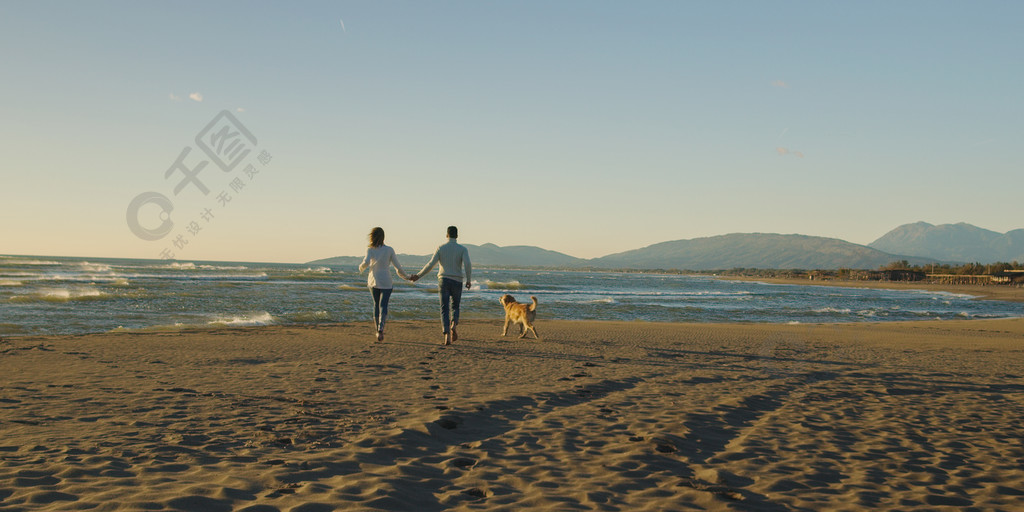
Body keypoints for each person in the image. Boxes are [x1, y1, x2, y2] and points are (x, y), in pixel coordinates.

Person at [410, 226, 471, 345]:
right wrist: (468, 280)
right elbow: (468, 264)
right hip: (457, 280)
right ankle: (454, 324)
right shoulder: (463, 249)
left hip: (443, 279)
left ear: (446, 235)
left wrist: (419, 275)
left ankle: (446, 335)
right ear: (457, 236)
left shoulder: (441, 248)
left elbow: (431, 264)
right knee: (455, 306)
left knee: (444, 308)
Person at [358, 227, 411, 341]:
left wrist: (361, 268)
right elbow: (398, 267)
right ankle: (381, 328)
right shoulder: (389, 250)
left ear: (372, 236)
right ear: (383, 237)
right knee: (384, 305)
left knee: (376, 305)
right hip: (386, 281)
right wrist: (407, 277)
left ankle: (377, 330)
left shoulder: (370, 250)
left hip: (374, 281)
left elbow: (366, 262)